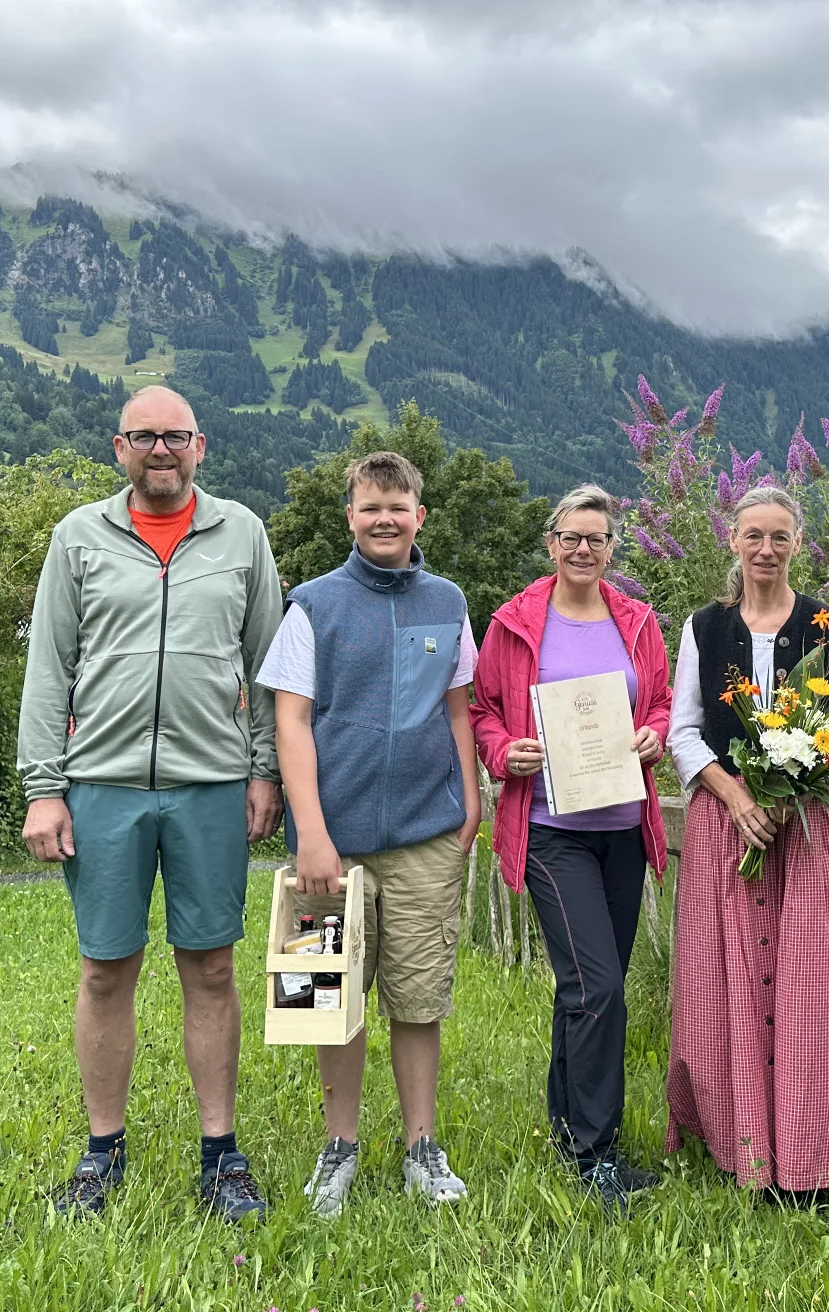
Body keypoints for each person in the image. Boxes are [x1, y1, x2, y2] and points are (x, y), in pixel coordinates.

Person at [17, 385, 284, 1222]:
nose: (160, 450)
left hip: (211, 785)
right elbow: (49, 669)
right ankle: (102, 1153)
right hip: (102, 786)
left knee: (210, 966)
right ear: (119, 447)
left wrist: (264, 770)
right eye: (144, 437)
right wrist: (43, 789)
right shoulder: (78, 538)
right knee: (105, 971)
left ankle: (220, 1155)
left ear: (200, 446)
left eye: (174, 437)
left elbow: (270, 664)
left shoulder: (241, 532)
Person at [258, 450, 483, 1218]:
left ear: (421, 514)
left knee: (419, 1000)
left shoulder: (449, 602)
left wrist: (472, 799)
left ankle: (422, 1147)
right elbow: (289, 722)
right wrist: (310, 832)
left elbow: (458, 709)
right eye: (369, 506)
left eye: (399, 505)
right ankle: (339, 1148)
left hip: (427, 831)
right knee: (325, 997)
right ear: (349, 516)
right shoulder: (312, 605)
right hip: (331, 844)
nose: (384, 518)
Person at [664, 485, 829, 1194]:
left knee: (814, 993)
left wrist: (798, 791)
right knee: (721, 991)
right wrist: (738, 794)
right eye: (754, 535)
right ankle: (740, 1151)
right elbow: (683, 732)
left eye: (780, 537)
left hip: (807, 831)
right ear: (733, 540)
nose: (766, 550)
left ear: (798, 543)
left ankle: (814, 1161)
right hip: (728, 829)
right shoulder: (704, 627)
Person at [469, 485, 672, 1210]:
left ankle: (566, 1129)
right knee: (602, 988)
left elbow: (660, 701)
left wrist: (653, 731)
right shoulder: (515, 623)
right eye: (570, 537)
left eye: (597, 538)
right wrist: (504, 752)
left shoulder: (639, 621)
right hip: (552, 830)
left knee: (586, 989)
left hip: (622, 828)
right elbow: (483, 711)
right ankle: (597, 1155)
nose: (583, 549)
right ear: (550, 543)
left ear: (613, 549)